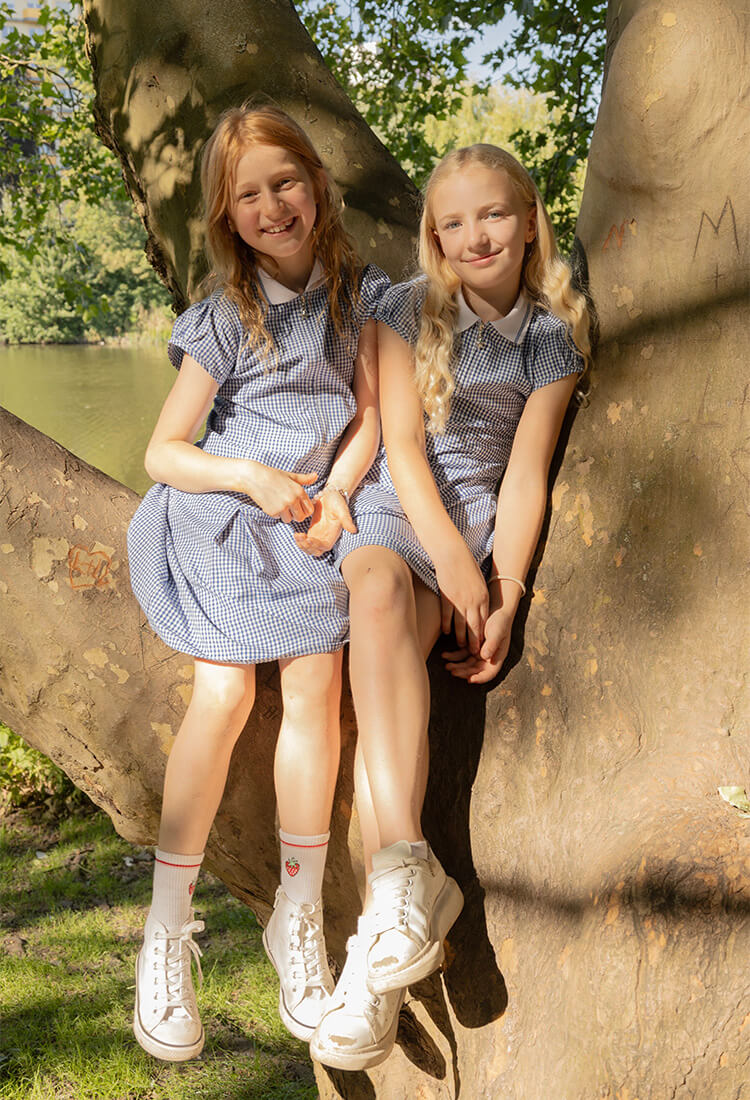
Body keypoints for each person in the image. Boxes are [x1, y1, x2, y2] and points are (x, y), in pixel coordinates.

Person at [299, 143, 591, 1070]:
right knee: (378, 591)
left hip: (477, 529)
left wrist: (500, 593)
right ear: (432, 235)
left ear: (531, 219)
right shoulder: (401, 307)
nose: (475, 236)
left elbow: (527, 480)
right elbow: (404, 452)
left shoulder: (553, 338)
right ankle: (406, 870)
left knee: (380, 740)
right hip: (402, 512)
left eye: (494, 215)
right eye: (453, 222)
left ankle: (366, 975)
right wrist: (454, 572)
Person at [126, 102, 389, 1061]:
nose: (272, 205)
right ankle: (164, 929)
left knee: (320, 685)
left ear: (317, 185)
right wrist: (251, 476)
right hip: (225, 517)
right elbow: (165, 451)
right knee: (229, 691)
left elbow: (372, 414)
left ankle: (299, 917)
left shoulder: (365, 296)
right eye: (249, 195)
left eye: (286, 182)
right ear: (227, 218)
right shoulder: (222, 320)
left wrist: (339, 490)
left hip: (313, 518)